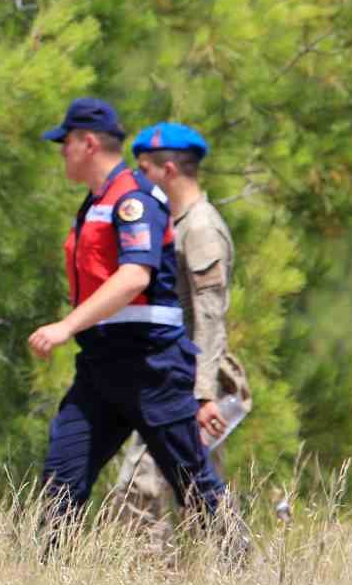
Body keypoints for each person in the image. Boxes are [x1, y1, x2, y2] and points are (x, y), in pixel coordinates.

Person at [27, 98, 235, 551]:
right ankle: (46, 581)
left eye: (66, 142)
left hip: (151, 368)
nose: (61, 151)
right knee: (62, 477)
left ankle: (240, 567)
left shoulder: (134, 201)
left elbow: (135, 275)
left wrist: (65, 326)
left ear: (88, 142)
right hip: (101, 365)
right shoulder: (96, 202)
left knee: (193, 485)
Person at [108, 122, 252, 550]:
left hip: (189, 383)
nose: (136, 180)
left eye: (144, 169)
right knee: (198, 494)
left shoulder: (201, 228)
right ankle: (232, 577)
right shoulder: (176, 223)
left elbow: (210, 320)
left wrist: (202, 394)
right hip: (174, 378)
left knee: (140, 488)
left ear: (168, 169)